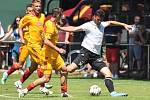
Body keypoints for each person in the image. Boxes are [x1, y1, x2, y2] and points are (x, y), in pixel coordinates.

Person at [57, 9, 131, 96]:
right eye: (97, 19)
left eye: (100, 20)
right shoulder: (88, 25)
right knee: (68, 70)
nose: (99, 21)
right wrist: (60, 28)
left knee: (108, 73)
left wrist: (124, 24)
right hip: (85, 53)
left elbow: (111, 22)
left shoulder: (102, 24)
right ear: (94, 17)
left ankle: (113, 93)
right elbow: (74, 28)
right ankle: (63, 91)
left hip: (95, 56)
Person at [18, 7, 70, 97]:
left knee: (64, 70)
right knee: (46, 79)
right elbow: (46, 41)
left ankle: (64, 92)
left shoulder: (53, 23)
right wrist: (59, 49)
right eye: (61, 15)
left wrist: (59, 27)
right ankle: (25, 90)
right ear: (57, 15)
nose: (62, 17)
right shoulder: (50, 25)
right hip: (47, 55)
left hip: (54, 54)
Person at [105, 14, 122, 79]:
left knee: (114, 61)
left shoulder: (117, 26)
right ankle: (111, 74)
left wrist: (118, 41)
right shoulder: (106, 26)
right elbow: (104, 35)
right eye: (109, 18)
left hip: (114, 46)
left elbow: (119, 35)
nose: (110, 19)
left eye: (112, 18)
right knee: (109, 61)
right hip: (108, 46)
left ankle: (116, 74)